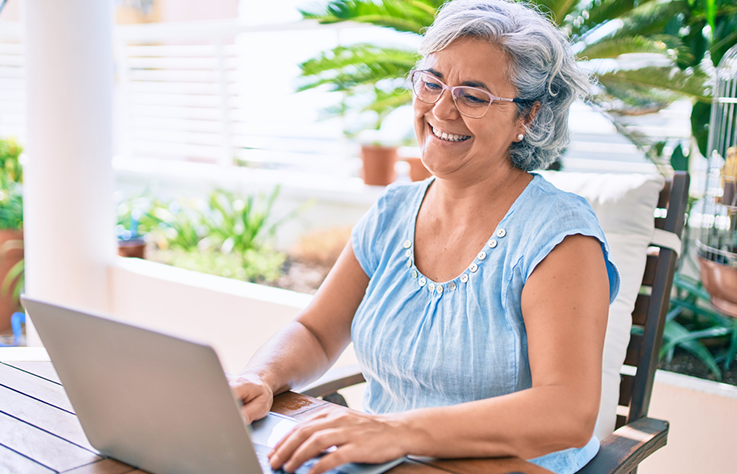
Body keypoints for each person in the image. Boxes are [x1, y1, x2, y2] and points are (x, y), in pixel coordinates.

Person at [229, 1, 619, 473]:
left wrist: (396, 432)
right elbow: (315, 331)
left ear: (528, 119)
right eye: (432, 83)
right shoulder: (393, 212)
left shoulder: (557, 237)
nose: (441, 109)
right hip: (383, 462)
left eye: (473, 96)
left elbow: (567, 413)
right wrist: (262, 376)